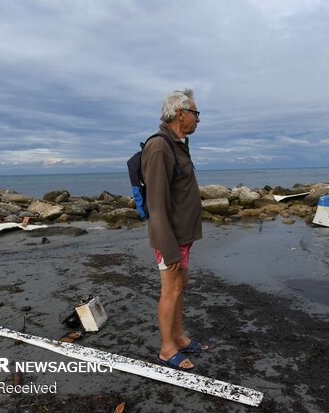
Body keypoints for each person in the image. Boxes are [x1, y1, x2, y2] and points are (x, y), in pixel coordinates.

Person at [142, 89, 207, 370]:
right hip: (170, 238)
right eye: (196, 113)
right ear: (180, 113)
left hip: (183, 235)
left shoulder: (178, 143)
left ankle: (179, 337)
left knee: (181, 285)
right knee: (170, 289)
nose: (198, 120)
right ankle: (167, 349)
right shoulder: (159, 147)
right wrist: (168, 251)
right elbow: (156, 204)